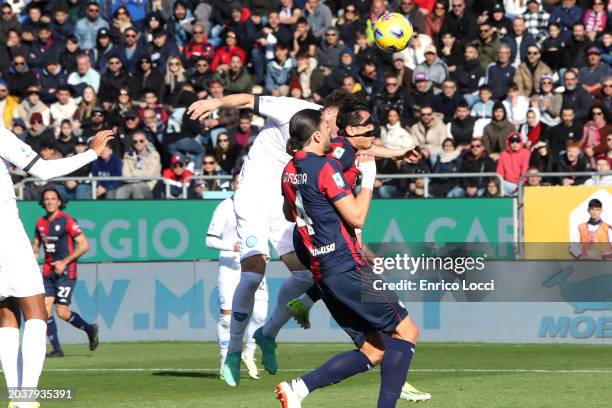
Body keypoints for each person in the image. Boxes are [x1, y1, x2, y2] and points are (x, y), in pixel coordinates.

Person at [187, 91, 418, 388]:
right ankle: (232, 351)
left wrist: (397, 153)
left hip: (287, 199)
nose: (336, 133)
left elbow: (360, 144)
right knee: (254, 273)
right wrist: (214, 103)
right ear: (329, 112)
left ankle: (268, 333)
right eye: (336, 125)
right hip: (255, 195)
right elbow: (249, 100)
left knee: (309, 274)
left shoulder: (325, 138)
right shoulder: (295, 110)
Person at [276, 108, 419, 408]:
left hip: (322, 272)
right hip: (345, 265)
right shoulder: (326, 167)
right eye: (327, 129)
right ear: (316, 135)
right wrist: (368, 180)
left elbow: (290, 213)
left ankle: (298, 389)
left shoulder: (289, 170)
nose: (332, 132)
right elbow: (356, 217)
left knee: (373, 349)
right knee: (406, 331)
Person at [0, 128, 112, 407]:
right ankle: (25, 399)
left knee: (6, 311)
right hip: (4, 234)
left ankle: (16, 396)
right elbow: (44, 171)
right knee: (36, 309)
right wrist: (91, 154)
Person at [206, 175, 268, 380]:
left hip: (253, 265)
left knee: (260, 314)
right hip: (229, 269)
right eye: (238, 182)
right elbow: (209, 240)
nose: (242, 185)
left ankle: (248, 353)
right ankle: (225, 363)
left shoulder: (258, 207)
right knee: (226, 318)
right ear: (233, 185)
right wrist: (230, 247)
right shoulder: (224, 207)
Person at [32, 187, 99, 358]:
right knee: (45, 309)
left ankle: (89, 329)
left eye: (53, 199)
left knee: (62, 312)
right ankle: (57, 349)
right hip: (48, 272)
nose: (49, 202)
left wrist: (64, 262)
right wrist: (33, 259)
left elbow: (84, 245)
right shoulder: (40, 222)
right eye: (46, 199)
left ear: (59, 202)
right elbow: (36, 246)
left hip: (66, 272)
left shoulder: (67, 221)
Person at [115, 131, 161, 199]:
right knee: (120, 191)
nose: (138, 143)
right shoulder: (128, 155)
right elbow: (125, 176)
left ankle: (138, 209)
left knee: (137, 189)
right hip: (131, 185)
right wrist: (140, 176)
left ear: (146, 142)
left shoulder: (154, 155)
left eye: (141, 141)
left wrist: (133, 173)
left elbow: (149, 175)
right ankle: (118, 209)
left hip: (150, 187)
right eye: (135, 141)